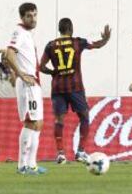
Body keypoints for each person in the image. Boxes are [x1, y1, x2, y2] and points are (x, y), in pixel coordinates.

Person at [40, 18, 111, 164]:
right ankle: (80, 152)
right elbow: (97, 45)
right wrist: (106, 39)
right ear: (71, 29)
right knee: (84, 116)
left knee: (59, 119)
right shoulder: (78, 42)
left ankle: (60, 154)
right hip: (75, 87)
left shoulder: (51, 45)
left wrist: (53, 73)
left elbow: (41, 66)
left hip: (58, 87)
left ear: (60, 30)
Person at [5, 2, 46, 174]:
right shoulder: (19, 33)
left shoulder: (27, 34)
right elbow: (9, 53)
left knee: (38, 123)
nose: (33, 18)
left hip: (34, 83)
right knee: (31, 122)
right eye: (29, 15)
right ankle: (22, 165)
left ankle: (32, 164)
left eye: (35, 14)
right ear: (22, 17)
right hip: (27, 83)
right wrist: (20, 74)